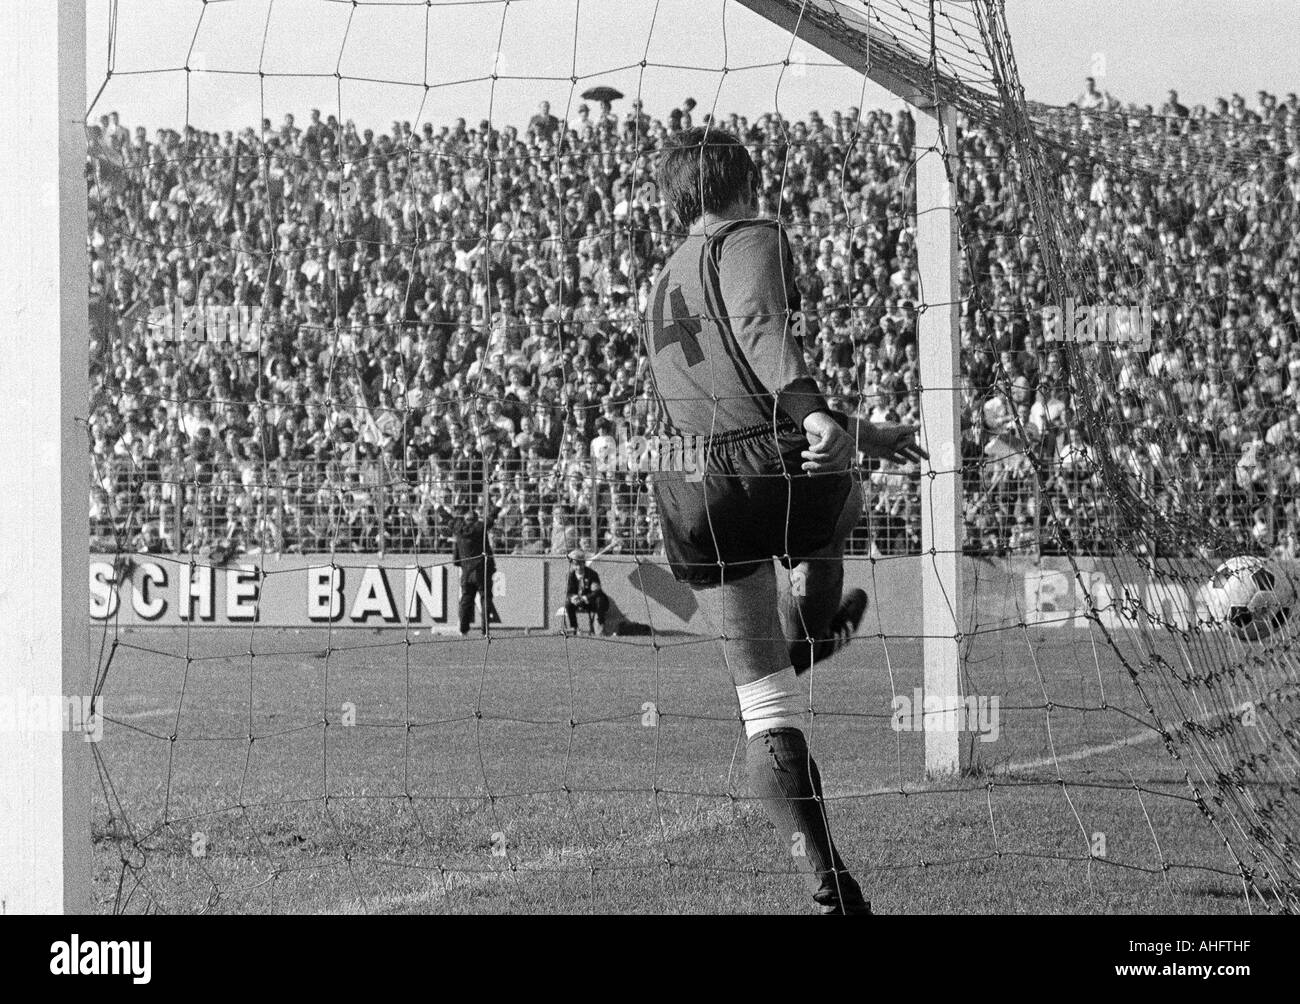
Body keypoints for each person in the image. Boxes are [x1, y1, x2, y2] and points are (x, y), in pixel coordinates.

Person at [645, 127, 926, 914]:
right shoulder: (750, 234)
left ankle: (825, 877)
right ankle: (811, 611)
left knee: (763, 706)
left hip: (687, 481)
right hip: (768, 462)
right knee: (839, 493)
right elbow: (761, 328)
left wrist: (857, 427)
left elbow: (720, 382)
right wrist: (820, 420)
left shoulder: (662, 275)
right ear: (744, 182)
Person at [452, 510, 498, 635]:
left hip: (466, 572)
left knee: (466, 600)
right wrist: (497, 507)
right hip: (482, 570)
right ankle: (485, 629)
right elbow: (490, 519)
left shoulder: (459, 531)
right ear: (476, 520)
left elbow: (456, 558)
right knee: (485, 599)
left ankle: (463, 629)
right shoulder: (479, 529)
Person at [563, 548, 609, 634]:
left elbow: (596, 592)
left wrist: (584, 598)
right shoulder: (570, 576)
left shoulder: (592, 574)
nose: (578, 567)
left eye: (580, 564)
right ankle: (574, 628)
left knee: (600, 600)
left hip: (591, 601)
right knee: (568, 604)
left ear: (584, 563)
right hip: (579, 601)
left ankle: (600, 626)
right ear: (572, 565)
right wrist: (573, 597)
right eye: (575, 564)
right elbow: (568, 592)